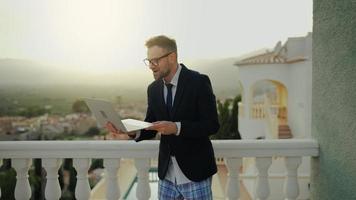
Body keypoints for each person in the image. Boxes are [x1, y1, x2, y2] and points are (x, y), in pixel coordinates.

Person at [106, 35, 219, 200]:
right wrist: (128, 131)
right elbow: (151, 127)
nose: (151, 66)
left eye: (155, 61)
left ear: (172, 57)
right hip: (166, 176)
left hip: (196, 174)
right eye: (149, 61)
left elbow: (212, 125)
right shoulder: (153, 89)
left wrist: (177, 127)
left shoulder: (198, 82)